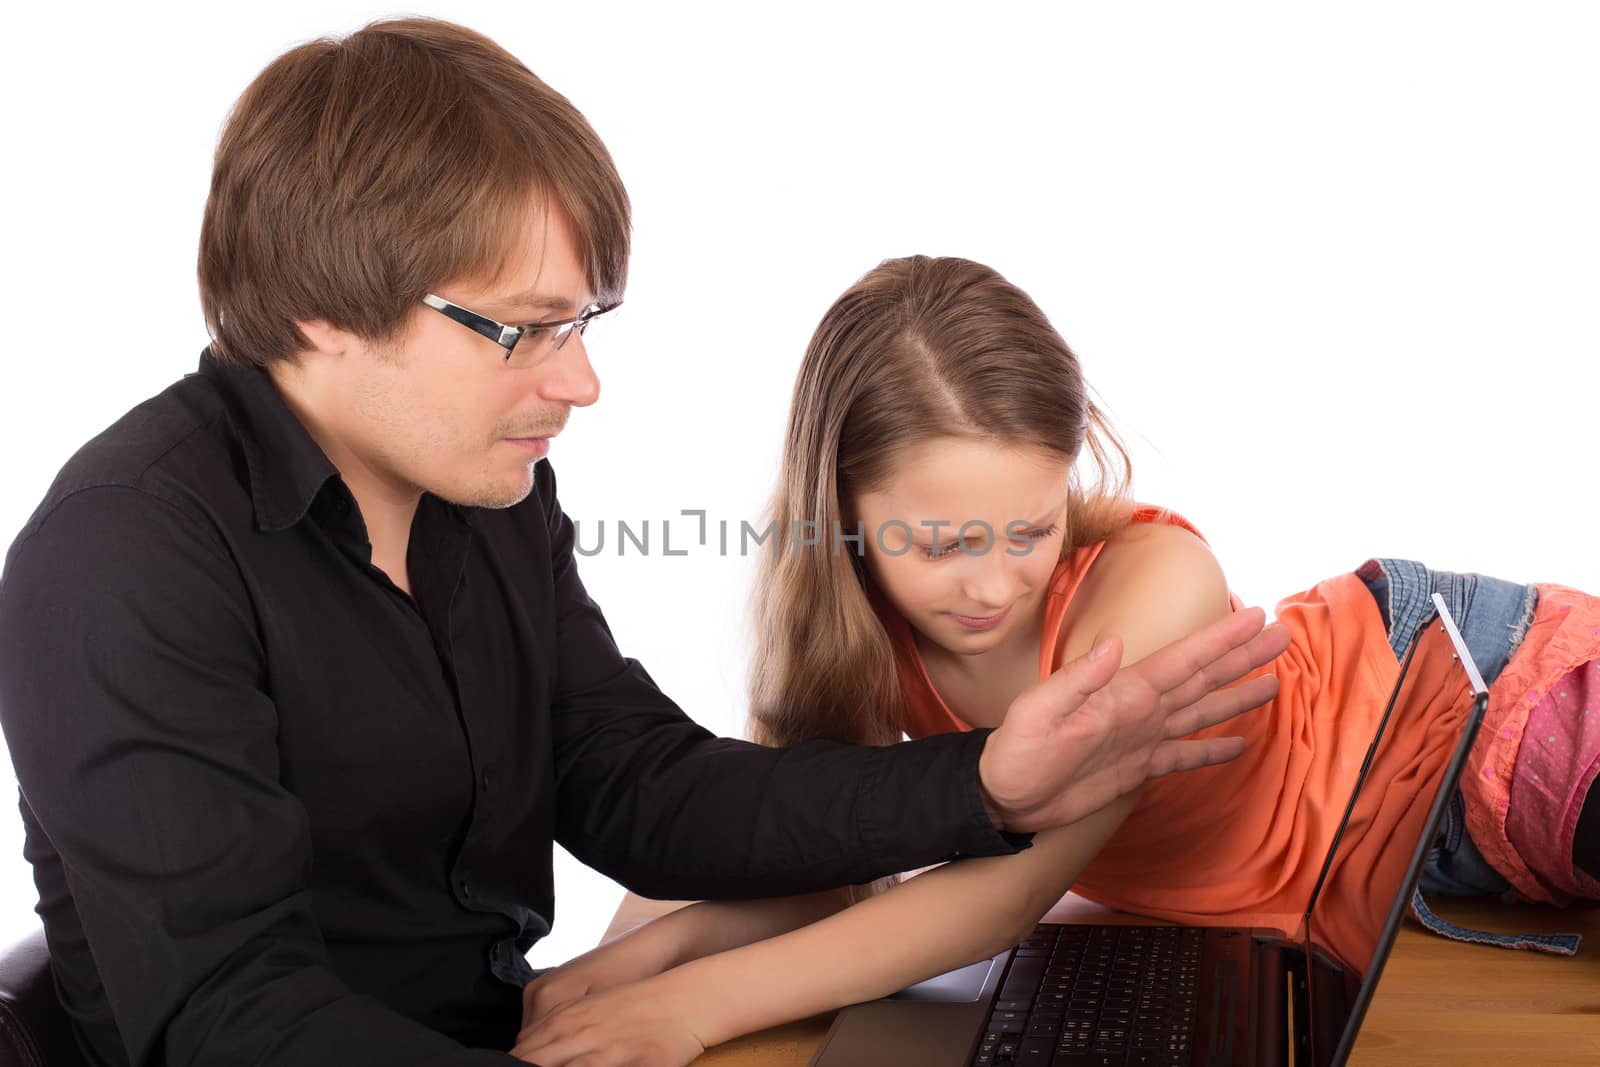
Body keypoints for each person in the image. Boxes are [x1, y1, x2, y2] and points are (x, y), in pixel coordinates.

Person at [0, 23, 1290, 1067]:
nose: (582, 385)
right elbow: (235, 1016)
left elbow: (644, 789)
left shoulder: (484, 501)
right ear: (321, 309)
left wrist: (984, 786)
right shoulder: (124, 557)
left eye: (586, 323)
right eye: (527, 329)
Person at [510, 255, 1600, 1066]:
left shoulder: (1150, 586)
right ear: (838, 509)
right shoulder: (858, 636)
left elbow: (1003, 892)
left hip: (1483, 709)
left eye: (1027, 531)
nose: (990, 586)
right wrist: (637, 959)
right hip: (1394, 871)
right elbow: (817, 855)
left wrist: (697, 1006)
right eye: (940, 544)